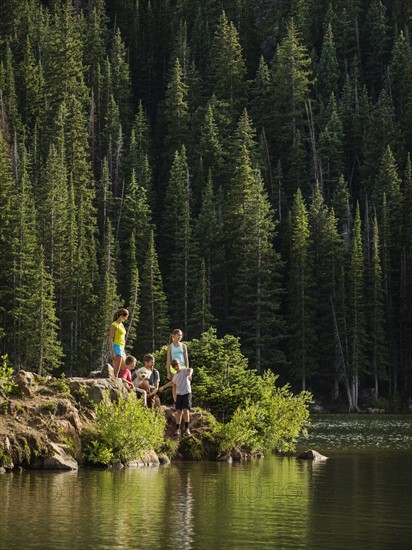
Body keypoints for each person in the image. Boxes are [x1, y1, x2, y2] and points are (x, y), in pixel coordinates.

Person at [160, 359, 193, 436]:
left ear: (180, 364)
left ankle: (187, 428)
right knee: (178, 411)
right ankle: (177, 428)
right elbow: (172, 383)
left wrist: (189, 375)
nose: (177, 367)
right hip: (179, 394)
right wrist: (163, 387)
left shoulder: (185, 371)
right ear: (173, 368)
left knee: (185, 410)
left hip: (186, 393)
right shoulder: (175, 375)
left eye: (177, 365)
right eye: (175, 367)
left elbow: (191, 369)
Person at [166, 329, 189, 406]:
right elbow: (168, 360)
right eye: (178, 335)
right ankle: (176, 402)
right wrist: (168, 371)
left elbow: (186, 358)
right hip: (174, 367)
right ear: (173, 336)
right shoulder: (170, 346)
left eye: (181, 335)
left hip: (182, 367)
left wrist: (188, 370)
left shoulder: (183, 346)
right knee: (174, 385)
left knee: (185, 384)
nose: (180, 337)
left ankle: (187, 403)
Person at [109, 308, 129, 377]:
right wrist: (112, 352)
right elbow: (111, 339)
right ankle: (114, 385)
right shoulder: (114, 325)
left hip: (122, 347)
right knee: (116, 370)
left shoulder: (122, 325)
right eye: (126, 317)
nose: (126, 319)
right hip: (117, 346)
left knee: (125, 367)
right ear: (122, 316)